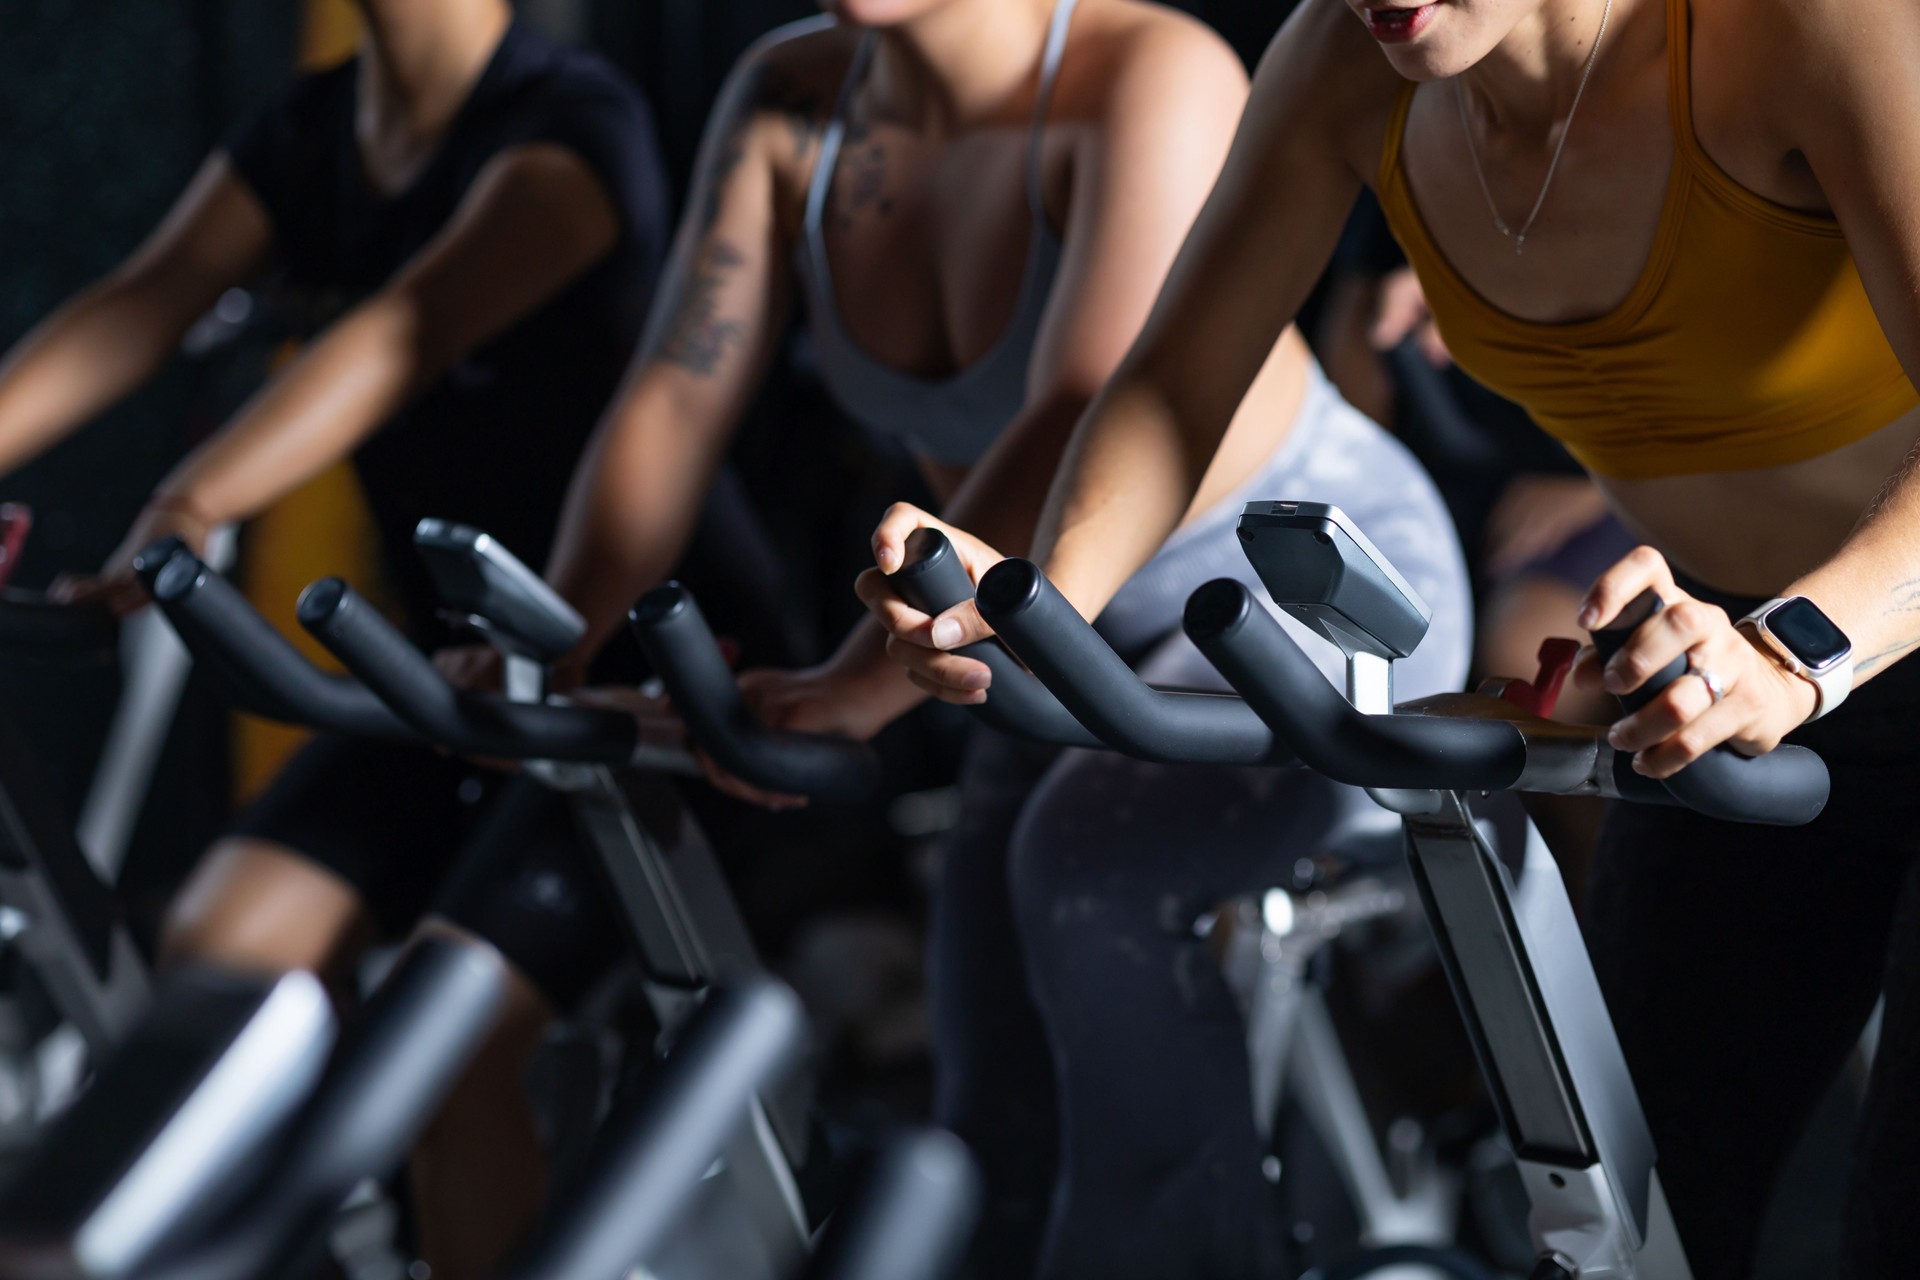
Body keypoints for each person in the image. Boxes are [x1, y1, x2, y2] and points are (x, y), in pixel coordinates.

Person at [861, 0, 1920, 1273]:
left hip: (1817, 640)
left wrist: (1800, 644)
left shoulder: (1806, 29)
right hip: (1727, 681)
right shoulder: (1346, 61)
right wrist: (1044, 604)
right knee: (1632, 1217)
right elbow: (1181, 376)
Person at [513, 0, 1469, 1275]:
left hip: (1297, 591)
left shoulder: (1150, 73)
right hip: (1041, 624)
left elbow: (1086, 407)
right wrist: (555, 637)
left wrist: (859, 688)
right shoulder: (789, 97)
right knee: (989, 1013)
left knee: (1084, 876)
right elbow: (678, 394)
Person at [0, 2, 668, 1273]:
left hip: (632, 694)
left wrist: (193, 501)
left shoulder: (571, 123)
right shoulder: (314, 133)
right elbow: (143, 300)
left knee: (450, 1044)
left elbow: (409, 333)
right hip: (441, 686)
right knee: (213, 965)